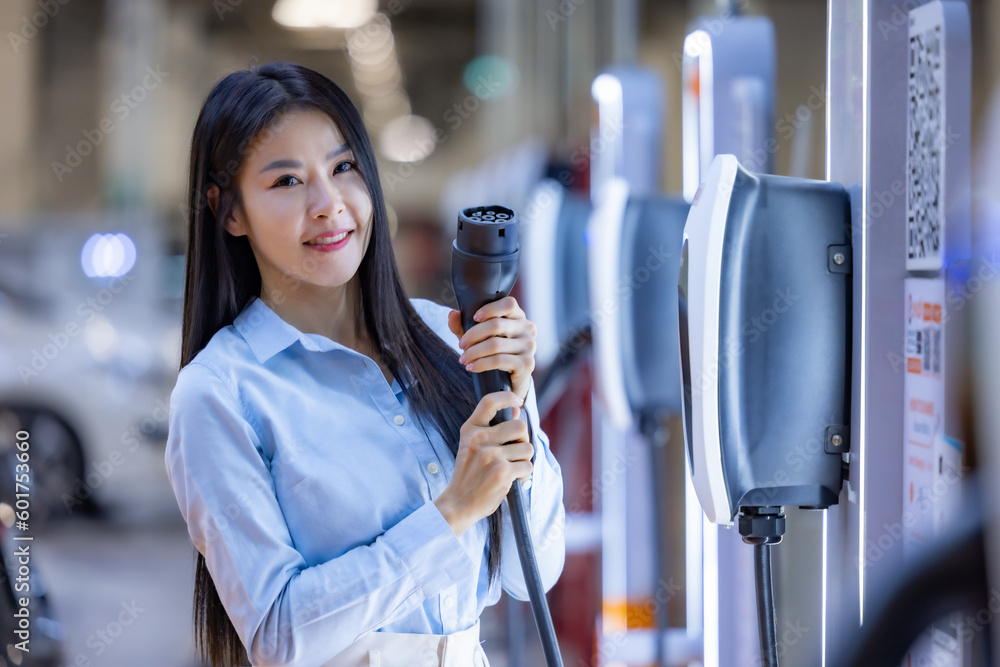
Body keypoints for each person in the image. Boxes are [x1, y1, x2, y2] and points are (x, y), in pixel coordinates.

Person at [164, 61, 566, 666]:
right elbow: (278, 635)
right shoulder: (219, 393)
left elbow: (533, 568)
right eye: (287, 181)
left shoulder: (445, 336)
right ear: (230, 212)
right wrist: (452, 511)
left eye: (343, 168)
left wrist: (515, 393)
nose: (328, 205)